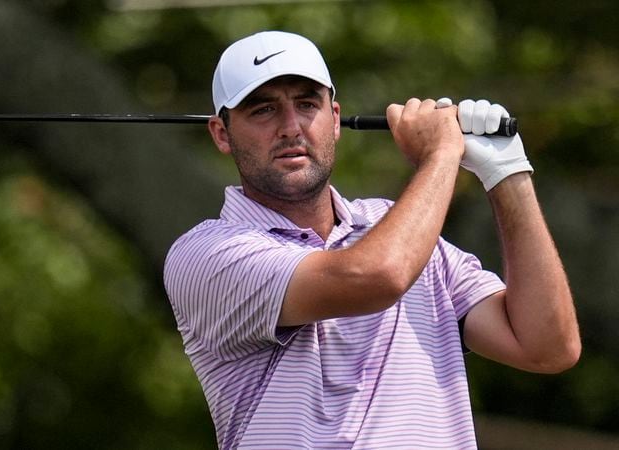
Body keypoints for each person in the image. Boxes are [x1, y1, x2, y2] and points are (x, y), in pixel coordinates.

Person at [163, 30, 580, 449]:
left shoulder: (399, 230)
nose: (290, 128)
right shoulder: (206, 254)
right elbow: (377, 276)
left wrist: (507, 174)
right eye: (263, 110)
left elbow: (547, 346)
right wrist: (440, 155)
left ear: (335, 117)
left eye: (307, 104)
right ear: (221, 133)